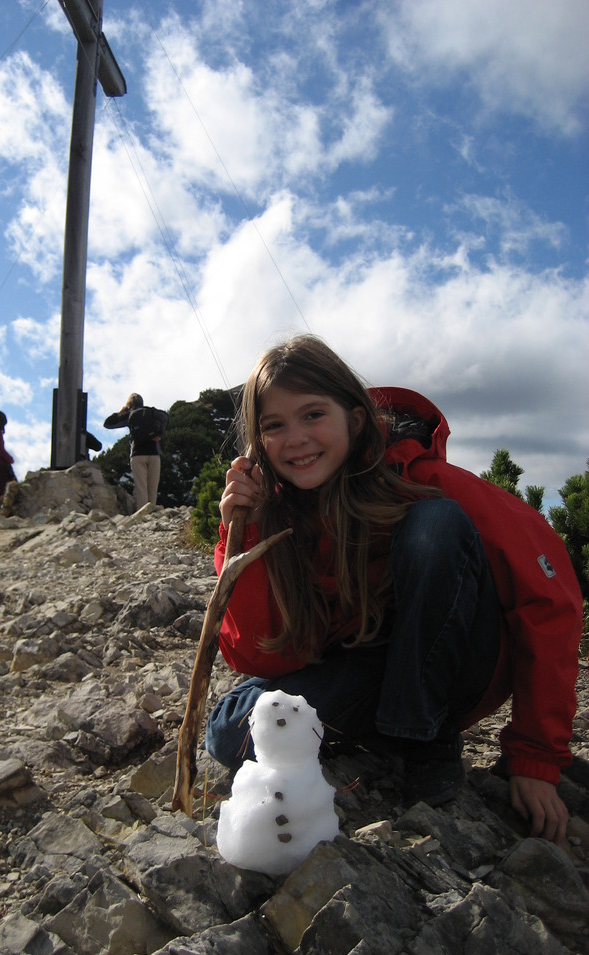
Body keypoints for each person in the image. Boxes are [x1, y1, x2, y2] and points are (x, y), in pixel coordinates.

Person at [204, 335, 582, 846]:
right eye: (274, 425)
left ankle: (422, 740)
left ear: (355, 419)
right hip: (366, 667)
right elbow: (258, 655)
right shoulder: (272, 513)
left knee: (437, 525)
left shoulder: (422, 477)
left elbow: (549, 593)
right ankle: (381, 730)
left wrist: (535, 755)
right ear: (257, 442)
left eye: (313, 414)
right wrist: (242, 533)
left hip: (452, 664)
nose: (294, 438)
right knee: (232, 732)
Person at [104, 393, 168, 510]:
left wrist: (122, 411)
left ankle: (143, 517)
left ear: (130, 404)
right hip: (154, 453)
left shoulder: (129, 415)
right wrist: (160, 434)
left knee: (141, 488)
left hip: (137, 454)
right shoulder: (151, 412)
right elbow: (165, 416)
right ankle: (152, 514)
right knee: (152, 488)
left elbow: (107, 423)